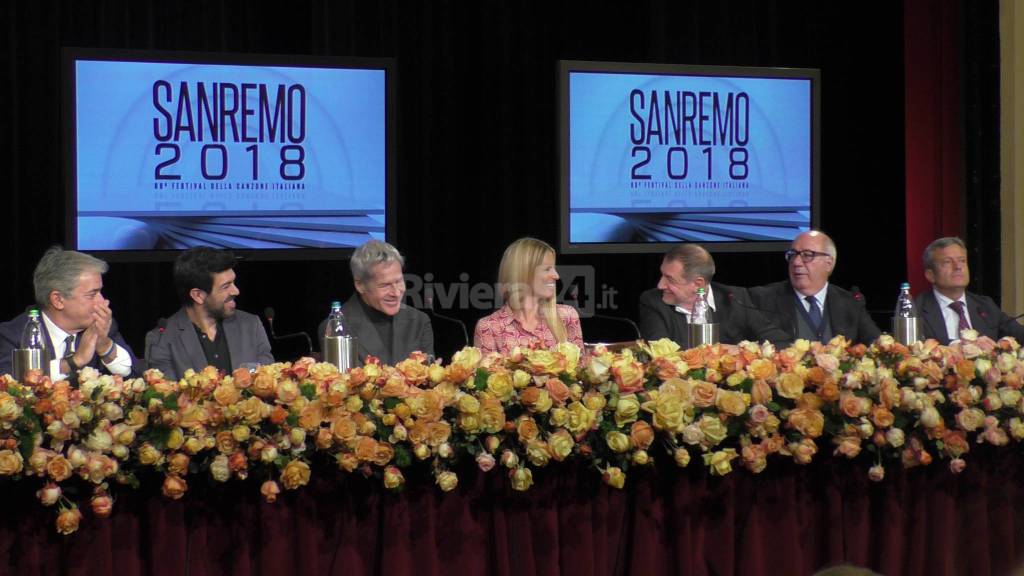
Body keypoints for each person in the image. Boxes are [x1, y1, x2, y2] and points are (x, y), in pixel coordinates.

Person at [0, 246, 139, 381]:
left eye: (100, 292)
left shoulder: (103, 327)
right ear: (58, 300)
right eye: (92, 294)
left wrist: (105, 346)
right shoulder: (12, 335)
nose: (103, 301)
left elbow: (135, 379)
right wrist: (74, 361)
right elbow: (8, 386)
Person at [148, 247, 274, 380]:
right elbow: (167, 396)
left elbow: (267, 381)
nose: (236, 291)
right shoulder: (161, 340)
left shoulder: (251, 325)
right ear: (198, 295)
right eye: (226, 286)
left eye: (234, 282)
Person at [638, 243, 789, 348]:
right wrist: (718, 351)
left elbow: (780, 341)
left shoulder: (735, 298)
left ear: (697, 284)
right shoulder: (653, 301)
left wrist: (743, 351)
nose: (660, 285)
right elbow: (658, 349)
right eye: (662, 275)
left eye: (669, 279)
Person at [748, 230, 881, 345]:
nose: (796, 262)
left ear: (828, 263)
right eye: (792, 255)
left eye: (807, 255)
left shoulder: (850, 303)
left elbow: (877, 346)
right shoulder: (763, 299)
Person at [324, 240, 434, 365]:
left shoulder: (419, 321)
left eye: (399, 281)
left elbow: (426, 381)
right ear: (360, 285)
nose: (396, 293)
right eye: (385, 285)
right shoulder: (335, 329)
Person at [474, 237, 584, 355]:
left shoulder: (567, 315)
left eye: (554, 269)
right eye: (547, 269)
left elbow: (581, 370)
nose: (556, 276)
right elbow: (488, 373)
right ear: (523, 273)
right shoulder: (489, 327)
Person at [916, 236, 1024, 345]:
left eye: (962, 261)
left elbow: (1019, 334)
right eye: (947, 262)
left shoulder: (985, 305)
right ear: (930, 275)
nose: (958, 266)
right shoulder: (916, 310)